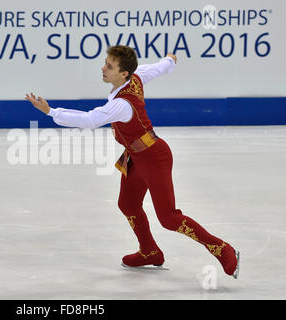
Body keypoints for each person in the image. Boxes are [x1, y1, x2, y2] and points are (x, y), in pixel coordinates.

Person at [25, 45, 240, 278]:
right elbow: (157, 69)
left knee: (169, 218)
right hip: (135, 157)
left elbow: (90, 120)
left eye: (109, 66)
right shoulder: (135, 78)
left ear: (123, 73)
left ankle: (222, 249)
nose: (103, 68)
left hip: (155, 157)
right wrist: (170, 60)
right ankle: (149, 251)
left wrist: (51, 111)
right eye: (105, 63)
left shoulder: (121, 104)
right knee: (128, 204)